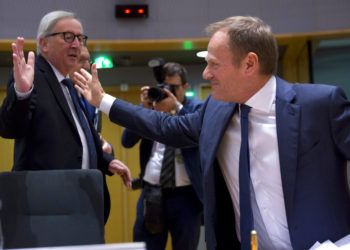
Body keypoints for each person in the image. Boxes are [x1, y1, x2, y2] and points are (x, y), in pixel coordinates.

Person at [56, 15, 350, 250]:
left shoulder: (320, 105)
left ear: (249, 63)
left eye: (213, 64)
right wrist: (103, 101)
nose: (206, 74)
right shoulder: (216, 110)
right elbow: (164, 126)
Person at [0, 10, 131, 224]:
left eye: (80, 38)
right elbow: (10, 128)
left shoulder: (68, 84)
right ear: (44, 44)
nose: (76, 44)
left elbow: (79, 134)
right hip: (44, 208)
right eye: (68, 37)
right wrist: (22, 93)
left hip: (81, 203)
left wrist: (106, 160)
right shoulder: (31, 77)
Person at [122, 62, 203, 250]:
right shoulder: (153, 109)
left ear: (185, 87)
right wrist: (144, 109)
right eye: (164, 88)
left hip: (186, 197)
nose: (168, 92)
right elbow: (127, 141)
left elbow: (200, 134)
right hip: (151, 193)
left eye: (173, 88)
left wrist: (176, 106)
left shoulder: (195, 108)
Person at [71, 45, 114, 155]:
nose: (86, 66)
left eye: (88, 61)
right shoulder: (60, 95)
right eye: (81, 60)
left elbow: (94, 133)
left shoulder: (91, 97)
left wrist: (107, 149)